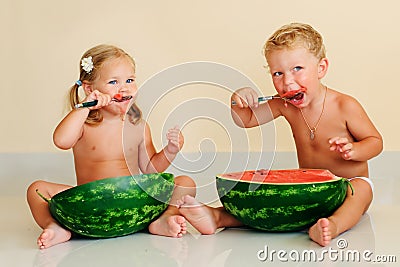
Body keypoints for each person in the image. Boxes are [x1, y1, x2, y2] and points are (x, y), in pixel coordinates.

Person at [178, 23, 383, 247]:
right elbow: (245, 121)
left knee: (361, 191)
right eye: (278, 73)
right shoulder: (285, 105)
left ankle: (332, 226)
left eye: (297, 69)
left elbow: (375, 142)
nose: (287, 81)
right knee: (275, 204)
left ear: (321, 68)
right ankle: (218, 217)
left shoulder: (345, 105)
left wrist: (354, 150)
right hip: (309, 189)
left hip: (349, 184)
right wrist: (238, 100)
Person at [27, 44, 195, 249]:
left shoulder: (138, 126)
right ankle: (55, 227)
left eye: (130, 80)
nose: (124, 88)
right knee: (35, 189)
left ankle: (163, 219)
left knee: (185, 182)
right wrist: (84, 107)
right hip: (93, 205)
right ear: (90, 89)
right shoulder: (84, 125)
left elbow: (151, 169)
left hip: (137, 203)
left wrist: (170, 151)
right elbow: (61, 141)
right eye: (113, 82)